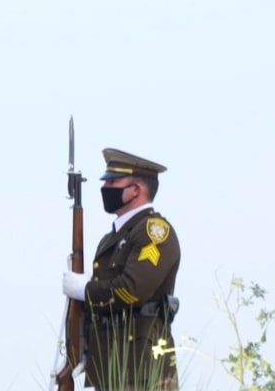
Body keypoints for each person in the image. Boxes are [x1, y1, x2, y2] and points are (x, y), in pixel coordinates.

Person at [61, 148, 181, 390]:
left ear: (136, 189)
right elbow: (99, 309)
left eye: (113, 182)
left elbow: (131, 291)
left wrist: (86, 290)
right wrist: (83, 348)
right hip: (109, 367)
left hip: (142, 367)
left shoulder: (153, 232)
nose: (105, 188)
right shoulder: (112, 239)